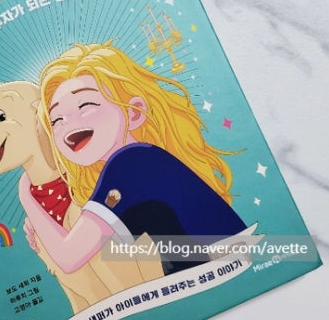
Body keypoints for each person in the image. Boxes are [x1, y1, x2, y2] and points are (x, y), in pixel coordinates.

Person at [19, 42, 247, 275]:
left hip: (223, 271)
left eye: (85, 105)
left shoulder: (130, 162)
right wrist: (45, 224)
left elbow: (69, 257)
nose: (69, 124)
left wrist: (26, 195)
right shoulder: (142, 163)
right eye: (57, 120)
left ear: (134, 112)